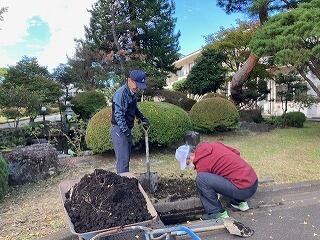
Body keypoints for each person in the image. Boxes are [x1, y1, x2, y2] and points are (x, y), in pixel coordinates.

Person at [175, 141, 258, 220]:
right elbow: (236, 153)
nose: (189, 166)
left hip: (243, 190)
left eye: (187, 163)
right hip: (253, 181)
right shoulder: (214, 144)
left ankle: (217, 213)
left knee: (201, 179)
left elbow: (208, 188)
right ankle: (240, 203)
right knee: (225, 173)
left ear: (191, 155)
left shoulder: (201, 164)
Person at [111, 70, 149, 173]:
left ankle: (124, 181)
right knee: (123, 160)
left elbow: (134, 108)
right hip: (119, 130)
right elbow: (118, 116)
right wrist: (126, 131)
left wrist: (142, 117)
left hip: (126, 128)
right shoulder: (121, 94)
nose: (138, 88)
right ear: (129, 80)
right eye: (137, 84)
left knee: (126, 158)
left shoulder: (132, 93)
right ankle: (122, 184)